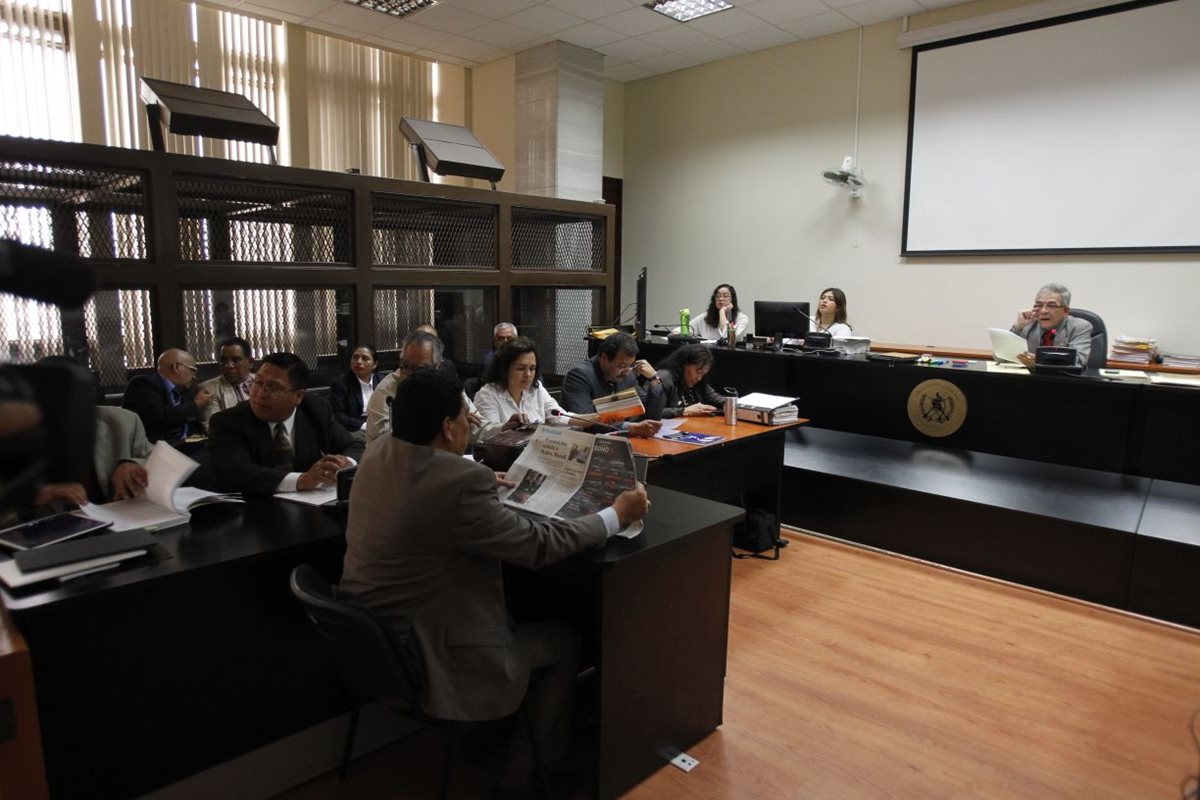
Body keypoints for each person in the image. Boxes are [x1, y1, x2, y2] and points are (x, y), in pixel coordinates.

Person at [339, 369, 649, 771]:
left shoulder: (378, 451)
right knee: (566, 640)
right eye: (466, 418)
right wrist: (615, 515)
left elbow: (427, 484)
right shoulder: (458, 483)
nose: (471, 424)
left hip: (376, 646)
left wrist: (483, 478)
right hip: (432, 655)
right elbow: (539, 546)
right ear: (448, 428)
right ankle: (529, 772)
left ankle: (494, 739)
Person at [208, 352, 363, 496]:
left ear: (298, 396)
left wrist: (345, 464)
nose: (260, 393)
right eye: (258, 382)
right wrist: (301, 480)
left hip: (309, 506)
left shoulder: (315, 409)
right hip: (249, 509)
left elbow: (354, 446)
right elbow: (234, 473)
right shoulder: (228, 421)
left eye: (273, 387)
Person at [365, 330, 500, 444]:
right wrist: (445, 427)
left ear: (438, 367)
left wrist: (506, 428)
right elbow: (387, 443)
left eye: (421, 369)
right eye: (406, 366)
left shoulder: (447, 387)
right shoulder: (386, 392)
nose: (412, 375)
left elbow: (478, 428)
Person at [560, 333, 663, 438]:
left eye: (630, 365)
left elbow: (649, 414)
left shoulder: (627, 376)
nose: (627, 372)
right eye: (622, 366)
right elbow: (585, 421)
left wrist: (654, 380)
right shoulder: (579, 376)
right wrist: (631, 428)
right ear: (604, 358)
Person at [122, 348, 213, 447]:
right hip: (159, 449)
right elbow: (162, 417)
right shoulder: (142, 384)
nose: (195, 377)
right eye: (192, 370)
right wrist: (196, 404)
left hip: (191, 444)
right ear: (177, 367)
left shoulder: (188, 390)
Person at [473, 337, 567, 430]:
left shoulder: (536, 388)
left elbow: (559, 416)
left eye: (532, 368)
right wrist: (507, 426)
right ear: (504, 369)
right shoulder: (487, 395)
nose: (528, 374)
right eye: (521, 368)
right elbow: (487, 434)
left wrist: (581, 419)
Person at [1010, 283, 1093, 369]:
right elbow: (1001, 357)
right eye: (1039, 305)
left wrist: (1041, 361)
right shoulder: (1027, 325)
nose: (1043, 311)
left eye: (1051, 306)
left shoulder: (1079, 327)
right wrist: (1018, 327)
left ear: (1065, 311)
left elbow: (1078, 362)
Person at [645, 344, 727, 419]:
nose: (699, 378)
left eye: (703, 374)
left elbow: (716, 398)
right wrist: (684, 411)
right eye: (698, 372)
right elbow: (651, 412)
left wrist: (730, 404)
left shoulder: (699, 383)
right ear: (685, 363)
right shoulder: (662, 378)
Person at [198, 336, 255, 432]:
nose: (228, 366)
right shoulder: (209, 389)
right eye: (223, 360)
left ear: (250, 362)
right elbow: (212, 427)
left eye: (236, 360)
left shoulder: (263, 383)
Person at [329, 344, 384, 433]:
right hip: (355, 429)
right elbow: (337, 414)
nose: (358, 361)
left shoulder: (383, 381)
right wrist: (363, 426)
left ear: (375, 365)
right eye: (355, 357)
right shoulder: (341, 383)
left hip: (380, 425)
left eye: (365, 358)